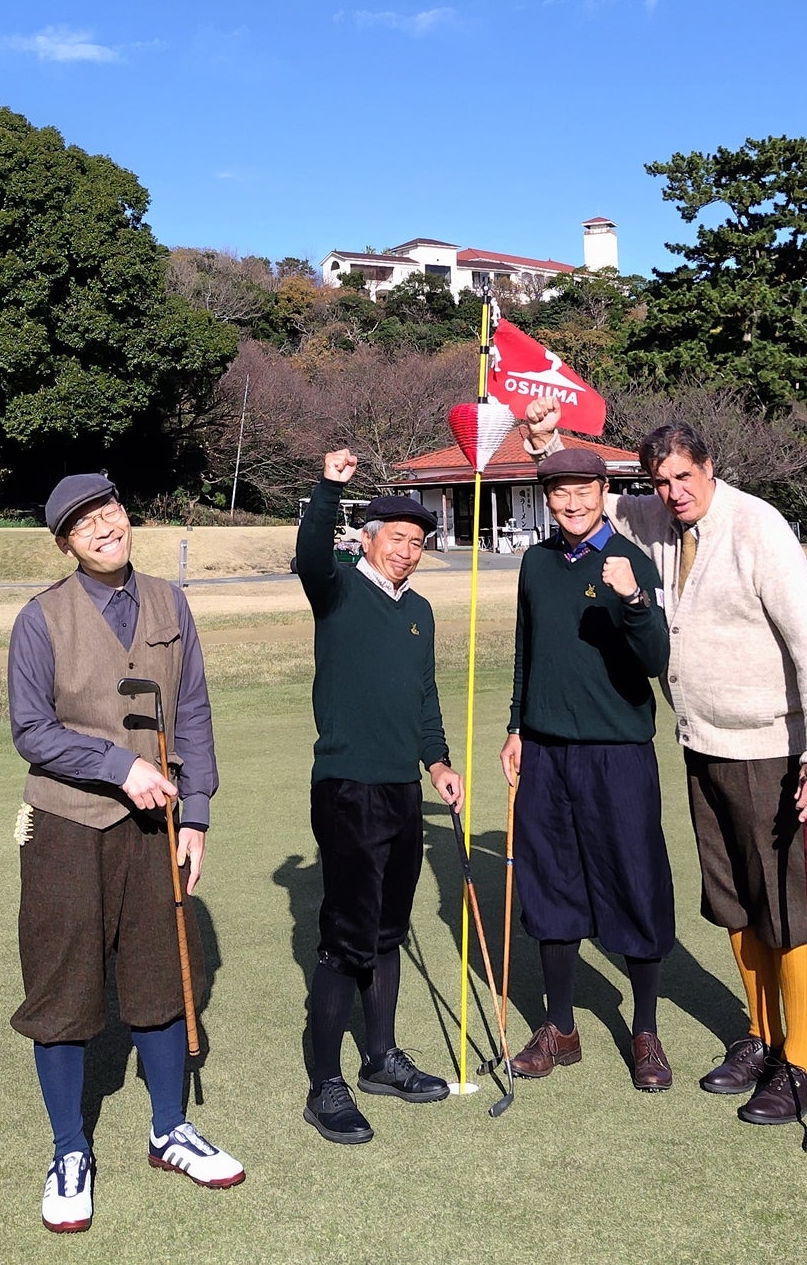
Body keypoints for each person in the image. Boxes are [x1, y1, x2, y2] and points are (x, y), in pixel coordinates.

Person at [524, 398, 807, 1128]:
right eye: (661, 482)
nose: (673, 492)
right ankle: (762, 1038)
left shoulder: (757, 527)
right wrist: (546, 440)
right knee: (734, 903)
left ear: (709, 468)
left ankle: (803, 1066)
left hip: (770, 747)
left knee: (785, 906)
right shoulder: (657, 520)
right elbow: (583, 497)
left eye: (683, 477)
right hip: (701, 744)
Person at [7, 474, 244, 1234]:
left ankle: (169, 1129)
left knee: (162, 975)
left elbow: (193, 709)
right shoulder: (39, 619)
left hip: (158, 826)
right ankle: (69, 1151)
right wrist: (119, 766)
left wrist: (196, 813)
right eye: (85, 524)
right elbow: (32, 731)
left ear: (126, 516)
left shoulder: (172, 603)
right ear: (65, 544)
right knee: (63, 987)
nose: (104, 528)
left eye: (109, 512)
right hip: (66, 826)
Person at [295, 447, 465, 1145]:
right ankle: (325, 1086)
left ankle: (380, 1059)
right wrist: (327, 487)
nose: (407, 552)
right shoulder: (336, 586)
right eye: (396, 538)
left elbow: (424, 695)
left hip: (401, 789)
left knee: (389, 930)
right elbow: (308, 555)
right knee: (347, 937)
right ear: (368, 540)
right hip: (347, 787)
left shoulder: (419, 610)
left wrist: (438, 762)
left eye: (417, 543)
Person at [498, 447, 676, 1091]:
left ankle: (645, 1030)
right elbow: (526, 648)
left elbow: (656, 658)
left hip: (617, 753)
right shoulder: (536, 562)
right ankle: (560, 1028)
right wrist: (516, 725)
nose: (571, 504)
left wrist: (633, 600)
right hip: (546, 752)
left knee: (635, 881)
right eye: (559, 493)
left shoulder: (631, 561)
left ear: (604, 491)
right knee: (551, 885)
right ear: (548, 499)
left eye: (583, 491)